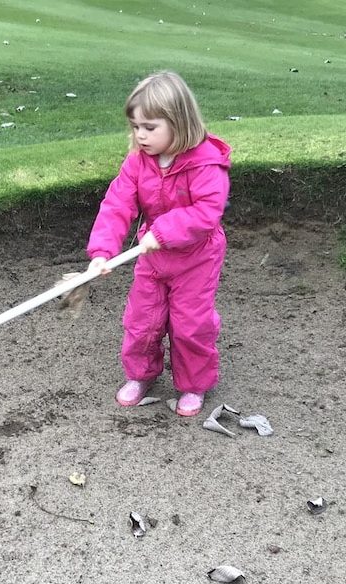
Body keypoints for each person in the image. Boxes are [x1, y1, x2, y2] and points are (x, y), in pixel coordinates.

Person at [87, 70, 231, 417]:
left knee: (190, 325)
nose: (140, 135)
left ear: (178, 122)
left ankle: (194, 384)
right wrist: (102, 251)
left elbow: (207, 211)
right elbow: (117, 204)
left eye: (150, 127)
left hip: (196, 259)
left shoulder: (206, 163)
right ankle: (141, 375)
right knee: (142, 320)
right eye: (136, 126)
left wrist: (164, 231)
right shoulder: (138, 162)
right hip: (152, 258)